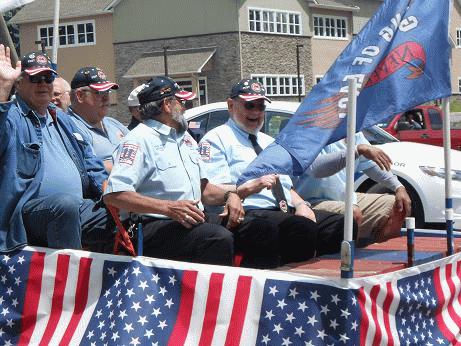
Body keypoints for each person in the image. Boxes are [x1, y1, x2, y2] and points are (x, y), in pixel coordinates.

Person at [103, 76, 282, 267]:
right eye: (182, 101)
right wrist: (168, 208)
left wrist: (232, 194)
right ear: (167, 105)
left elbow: (205, 191)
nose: (186, 106)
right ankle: (214, 295)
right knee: (216, 238)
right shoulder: (138, 139)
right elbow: (114, 195)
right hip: (152, 224)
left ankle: (251, 291)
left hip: (190, 218)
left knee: (261, 228)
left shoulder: (185, 139)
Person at [199, 79, 355, 263]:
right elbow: (208, 193)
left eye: (261, 106)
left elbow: (286, 187)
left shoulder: (269, 142)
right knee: (298, 227)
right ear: (231, 105)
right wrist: (250, 186)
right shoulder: (216, 139)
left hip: (281, 209)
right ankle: (291, 284)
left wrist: (302, 205)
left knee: (342, 224)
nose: (256, 112)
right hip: (247, 211)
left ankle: (327, 283)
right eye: (249, 105)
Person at [0, 46, 114, 252]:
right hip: (27, 212)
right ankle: (70, 279)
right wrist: (3, 88)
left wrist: (115, 195)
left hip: (77, 208)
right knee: (64, 205)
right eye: (36, 78)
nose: (43, 84)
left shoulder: (61, 117)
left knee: (126, 213)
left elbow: (90, 162)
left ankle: (119, 279)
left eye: (48, 78)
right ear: (20, 82)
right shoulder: (12, 116)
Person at [295, 132, 412, 246]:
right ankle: (349, 260)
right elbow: (316, 169)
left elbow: (371, 165)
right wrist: (356, 150)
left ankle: (376, 258)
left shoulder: (354, 132)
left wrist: (398, 187)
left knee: (398, 205)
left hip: (343, 198)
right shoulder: (309, 131)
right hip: (310, 202)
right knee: (353, 213)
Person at [68, 66, 128, 172]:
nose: (106, 98)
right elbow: (90, 167)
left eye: (107, 91)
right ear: (80, 96)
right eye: (100, 92)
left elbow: (140, 150)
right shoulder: (70, 126)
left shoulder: (113, 123)